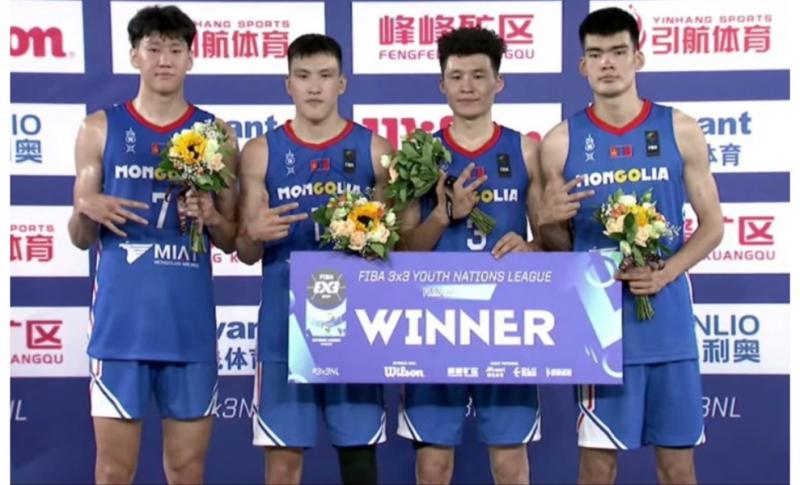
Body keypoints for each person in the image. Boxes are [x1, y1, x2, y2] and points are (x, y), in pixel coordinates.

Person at [535, 7, 724, 485]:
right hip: (601, 328)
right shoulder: (560, 142)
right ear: (582, 66)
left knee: (678, 467)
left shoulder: (680, 129)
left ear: (638, 58)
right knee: (598, 468)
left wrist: (666, 272)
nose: (608, 63)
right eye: (596, 54)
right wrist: (548, 220)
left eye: (619, 52)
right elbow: (559, 249)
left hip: (670, 322)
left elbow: (712, 226)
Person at [67, 5, 239, 484]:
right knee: (113, 471)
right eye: (154, 48)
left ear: (191, 58)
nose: (164, 60)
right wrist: (86, 210)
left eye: (175, 49)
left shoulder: (218, 135)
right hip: (121, 328)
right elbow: (80, 239)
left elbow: (232, 240)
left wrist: (210, 216)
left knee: (187, 470)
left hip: (189, 326)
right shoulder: (98, 128)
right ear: (134, 56)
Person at [235, 33, 392, 485]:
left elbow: (396, 249)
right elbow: (244, 251)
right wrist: (254, 233)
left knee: (359, 463)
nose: (314, 87)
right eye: (303, 76)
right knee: (283, 466)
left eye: (325, 76)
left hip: (355, 326)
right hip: (284, 330)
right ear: (289, 85)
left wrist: (375, 241)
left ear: (342, 83)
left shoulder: (377, 151)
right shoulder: (260, 152)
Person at [396, 27, 541, 485]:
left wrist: (532, 247)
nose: (467, 86)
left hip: (508, 324)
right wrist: (443, 215)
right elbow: (402, 251)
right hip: (433, 324)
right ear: (441, 84)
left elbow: (553, 243)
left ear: (499, 82)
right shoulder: (419, 156)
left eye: (479, 75)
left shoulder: (526, 150)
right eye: (456, 76)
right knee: (433, 467)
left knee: (510, 464)